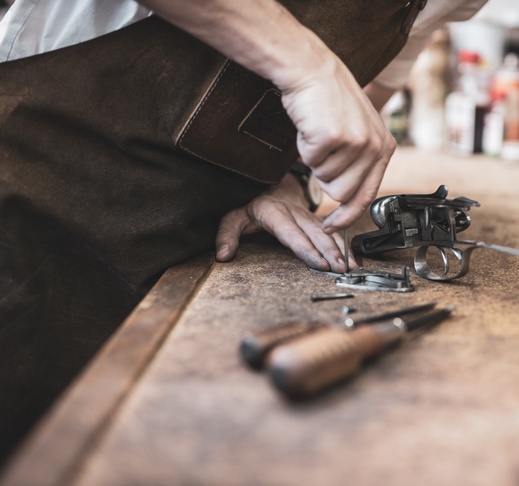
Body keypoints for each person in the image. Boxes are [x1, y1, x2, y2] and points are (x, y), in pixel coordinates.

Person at [0, 0, 488, 465]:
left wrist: (287, 179)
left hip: (184, 237)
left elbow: (356, 103)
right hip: (35, 187)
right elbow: (324, 83)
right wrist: (309, 70)